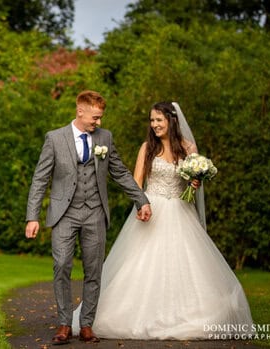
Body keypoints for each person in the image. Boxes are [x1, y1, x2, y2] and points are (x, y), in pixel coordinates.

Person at [77, 101, 253, 339]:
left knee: (185, 264)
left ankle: (189, 313)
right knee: (140, 264)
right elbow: (137, 183)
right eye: (152, 120)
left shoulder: (188, 148)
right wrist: (141, 204)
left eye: (159, 120)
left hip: (181, 211)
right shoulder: (147, 148)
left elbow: (193, 182)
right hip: (153, 208)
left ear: (172, 121)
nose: (155, 125)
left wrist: (195, 182)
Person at [25, 90, 152, 344]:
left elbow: (119, 171)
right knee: (61, 265)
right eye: (95, 117)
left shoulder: (105, 137)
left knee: (94, 270)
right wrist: (32, 216)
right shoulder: (55, 138)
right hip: (64, 214)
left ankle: (86, 324)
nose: (99, 122)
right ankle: (63, 323)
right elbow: (40, 179)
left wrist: (141, 199)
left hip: (95, 211)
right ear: (80, 111)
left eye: (101, 117)